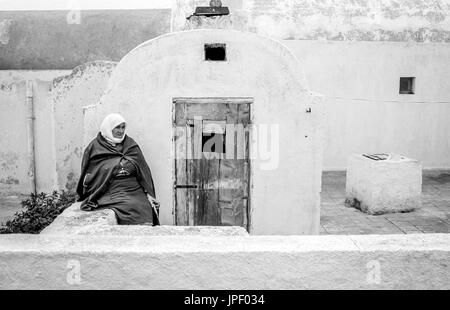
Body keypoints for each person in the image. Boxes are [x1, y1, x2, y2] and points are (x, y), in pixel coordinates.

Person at [76, 113, 160, 225]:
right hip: (108, 188)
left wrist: (148, 193)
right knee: (130, 205)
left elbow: (143, 170)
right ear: (108, 128)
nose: (121, 131)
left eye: (123, 127)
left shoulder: (130, 144)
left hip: (133, 188)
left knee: (144, 204)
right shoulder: (95, 147)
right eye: (117, 127)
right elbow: (90, 173)